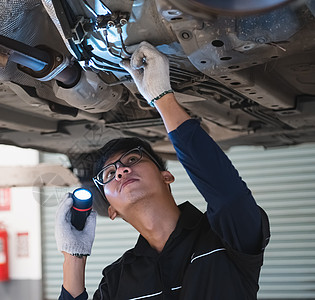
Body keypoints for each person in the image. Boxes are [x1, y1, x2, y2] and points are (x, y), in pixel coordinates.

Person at [54, 41, 270, 299]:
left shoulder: (224, 237)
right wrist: (73, 258)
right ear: (111, 210)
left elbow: (226, 192)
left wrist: (163, 98)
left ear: (166, 176)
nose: (121, 170)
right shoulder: (117, 279)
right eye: (109, 175)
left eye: (132, 159)